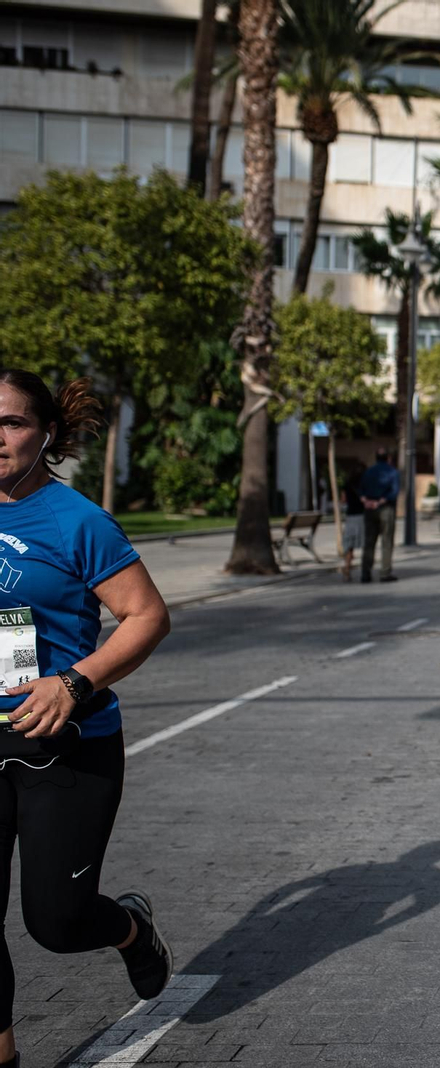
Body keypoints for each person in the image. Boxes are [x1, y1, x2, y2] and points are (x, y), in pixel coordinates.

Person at [0, 372, 175, 1068]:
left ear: (45, 434)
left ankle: (130, 928)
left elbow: (148, 616)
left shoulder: (78, 522)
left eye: (10, 423)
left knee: (57, 922)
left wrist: (76, 682)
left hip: (67, 745)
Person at [359, 447, 399, 583]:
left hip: (369, 509)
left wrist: (367, 501)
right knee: (387, 541)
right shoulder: (392, 472)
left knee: (369, 542)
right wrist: (380, 501)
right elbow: (394, 492)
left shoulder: (369, 472)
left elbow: (361, 490)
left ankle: (365, 573)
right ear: (388, 458)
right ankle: (385, 572)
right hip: (385, 509)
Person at [339, 468, 364, 582]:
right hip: (362, 516)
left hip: (351, 516)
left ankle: (347, 567)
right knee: (365, 543)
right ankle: (365, 570)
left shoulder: (347, 486)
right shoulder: (364, 485)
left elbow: (343, 500)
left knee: (349, 543)